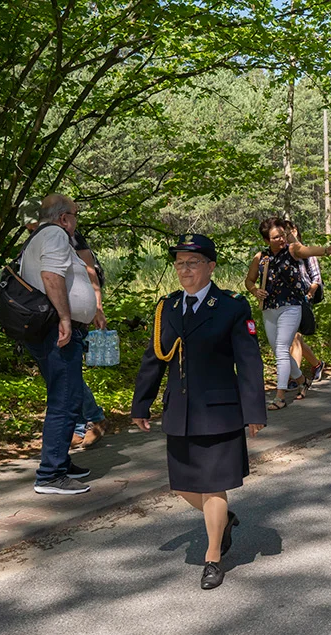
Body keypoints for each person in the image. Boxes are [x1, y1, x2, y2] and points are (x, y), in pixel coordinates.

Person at [131, 234, 266, 590]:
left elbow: (249, 362)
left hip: (221, 412)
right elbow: (153, 360)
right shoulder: (168, 308)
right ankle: (222, 520)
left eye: (192, 263)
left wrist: (254, 411)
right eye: (179, 263)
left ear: (211, 266)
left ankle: (212, 558)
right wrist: (140, 403)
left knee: (213, 487)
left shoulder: (232, 306)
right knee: (182, 486)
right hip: (180, 411)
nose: (184, 270)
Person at [20, 194, 104, 495]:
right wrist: (67, 319)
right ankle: (50, 474)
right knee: (65, 401)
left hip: (50, 330)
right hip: (57, 330)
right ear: (64, 217)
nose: (76, 220)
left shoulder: (40, 237)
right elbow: (51, 277)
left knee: (64, 396)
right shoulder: (55, 233)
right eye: (75, 214)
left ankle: (60, 463)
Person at [244, 218, 331, 409]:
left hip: (291, 307)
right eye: (276, 237)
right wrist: (255, 291)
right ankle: (301, 380)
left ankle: (280, 396)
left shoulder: (292, 251)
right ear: (266, 240)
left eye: (282, 235)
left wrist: (326, 250)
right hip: (269, 309)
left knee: (282, 349)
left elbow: (306, 250)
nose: (281, 239)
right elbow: (249, 280)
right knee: (278, 350)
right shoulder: (261, 258)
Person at [285, 222, 326, 385]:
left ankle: (295, 378)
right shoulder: (282, 255)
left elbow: (316, 278)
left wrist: (309, 294)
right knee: (295, 338)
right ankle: (316, 364)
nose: (285, 235)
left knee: (295, 337)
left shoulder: (307, 253)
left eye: (288, 232)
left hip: (303, 298)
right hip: (286, 300)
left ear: (295, 232)